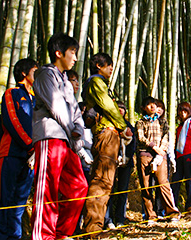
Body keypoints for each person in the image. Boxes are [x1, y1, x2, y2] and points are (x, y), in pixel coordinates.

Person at [31, 33, 88, 239]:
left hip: (67, 141)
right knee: (47, 188)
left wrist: (78, 132)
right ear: (58, 53)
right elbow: (57, 108)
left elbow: (75, 112)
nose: (74, 57)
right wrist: (74, 133)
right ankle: (43, 235)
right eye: (72, 52)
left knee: (78, 186)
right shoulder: (46, 75)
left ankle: (61, 232)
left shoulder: (66, 80)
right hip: (50, 137)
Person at [82, 53, 132, 234]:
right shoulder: (97, 82)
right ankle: (93, 229)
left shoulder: (99, 83)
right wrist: (122, 125)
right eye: (108, 65)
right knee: (102, 181)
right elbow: (108, 105)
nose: (111, 68)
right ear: (98, 66)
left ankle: (94, 226)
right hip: (107, 134)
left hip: (106, 134)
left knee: (104, 181)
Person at [0, 59, 38, 239]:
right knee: (4, 200)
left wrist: (35, 150)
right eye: (35, 71)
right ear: (24, 73)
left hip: (30, 158)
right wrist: (29, 145)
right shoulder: (13, 93)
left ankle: (14, 237)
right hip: (11, 153)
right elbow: (12, 121)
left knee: (19, 204)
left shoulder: (37, 99)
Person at [135, 96, 180, 224]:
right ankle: (151, 216)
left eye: (153, 104)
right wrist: (154, 147)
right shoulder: (140, 122)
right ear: (144, 108)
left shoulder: (162, 122)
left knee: (163, 183)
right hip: (145, 155)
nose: (152, 106)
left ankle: (172, 213)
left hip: (160, 156)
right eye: (148, 104)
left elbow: (166, 136)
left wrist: (161, 150)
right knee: (146, 186)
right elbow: (141, 137)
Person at [104, 101, 136, 229]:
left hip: (126, 162)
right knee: (109, 190)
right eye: (118, 108)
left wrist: (127, 157)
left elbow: (133, 144)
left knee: (122, 191)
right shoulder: (110, 125)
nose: (121, 110)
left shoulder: (128, 126)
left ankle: (120, 219)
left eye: (123, 108)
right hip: (111, 161)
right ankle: (108, 219)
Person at [171, 102, 191, 213]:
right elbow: (176, 144)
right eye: (180, 111)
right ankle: (173, 206)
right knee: (175, 182)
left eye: (185, 111)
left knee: (189, 181)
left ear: (189, 111)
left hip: (190, 155)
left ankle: (190, 206)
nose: (183, 113)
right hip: (179, 156)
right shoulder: (179, 127)